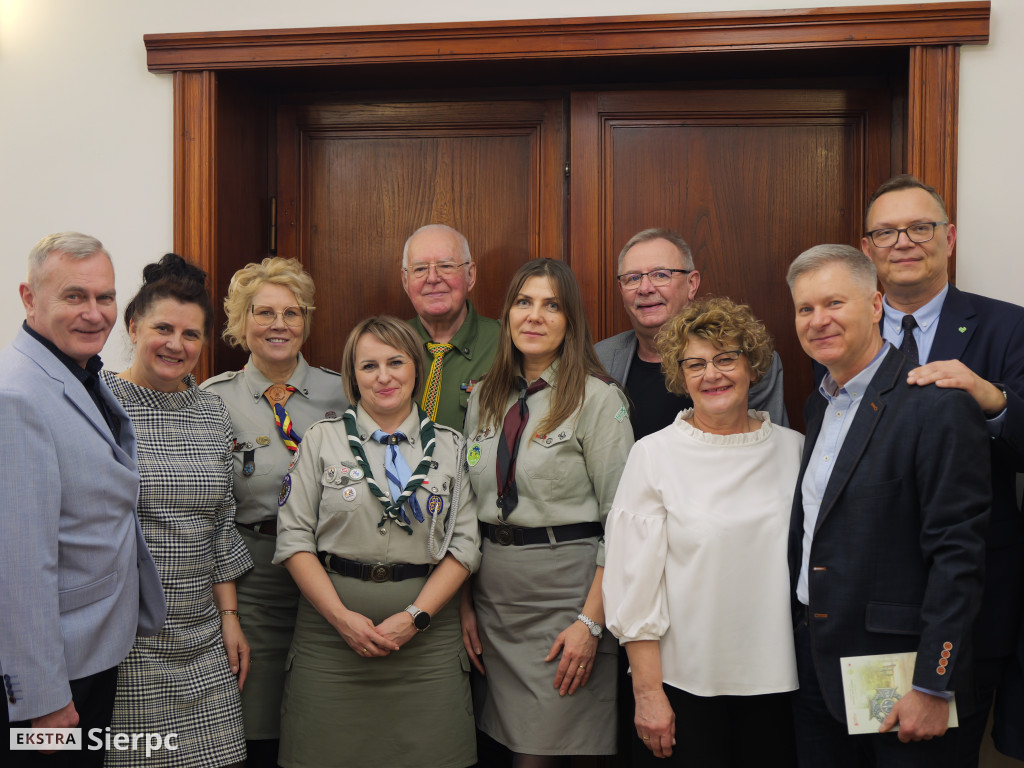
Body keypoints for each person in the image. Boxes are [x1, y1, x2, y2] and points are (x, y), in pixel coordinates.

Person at [787, 244, 990, 767]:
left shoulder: (936, 405)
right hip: (816, 670)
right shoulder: (819, 404)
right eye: (805, 309)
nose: (818, 321)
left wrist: (933, 684)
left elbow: (958, 557)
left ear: (876, 305)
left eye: (834, 303)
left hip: (905, 683)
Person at [859, 174, 1024, 765]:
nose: (903, 241)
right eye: (886, 231)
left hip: (971, 603)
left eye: (920, 227)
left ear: (949, 238)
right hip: (865, 605)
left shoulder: (1008, 327)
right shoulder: (840, 331)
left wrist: (991, 398)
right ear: (867, 248)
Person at [272, 315, 480, 768]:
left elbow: (464, 546)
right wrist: (341, 619)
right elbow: (293, 539)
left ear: (415, 370)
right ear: (352, 376)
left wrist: (414, 618)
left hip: (426, 649)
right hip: (330, 644)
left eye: (395, 362)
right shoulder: (320, 441)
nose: (383, 377)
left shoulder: (450, 447)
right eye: (369, 366)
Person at [603, 296, 802, 767]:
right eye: (695, 364)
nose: (712, 374)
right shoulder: (654, 455)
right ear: (680, 376)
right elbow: (634, 588)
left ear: (752, 366)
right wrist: (648, 695)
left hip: (782, 685)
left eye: (725, 358)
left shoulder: (796, 451)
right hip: (682, 688)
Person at [0, 232, 165, 768]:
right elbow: (18, 568)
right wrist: (43, 699)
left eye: (105, 297)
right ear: (29, 298)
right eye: (74, 296)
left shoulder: (78, 370)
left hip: (89, 650)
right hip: (55, 677)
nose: (95, 314)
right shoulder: (16, 396)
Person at [461, 258, 634, 765]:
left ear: (570, 321)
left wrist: (590, 622)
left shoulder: (598, 399)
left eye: (551, 305)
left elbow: (622, 524)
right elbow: (469, 510)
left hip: (567, 597)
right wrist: (465, 604)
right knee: (506, 748)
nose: (534, 317)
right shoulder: (485, 399)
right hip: (494, 597)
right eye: (523, 302)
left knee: (542, 755)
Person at [102, 254, 254, 767]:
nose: (176, 344)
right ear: (132, 326)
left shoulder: (211, 411)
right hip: (127, 643)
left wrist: (229, 617)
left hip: (204, 637)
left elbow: (219, 524)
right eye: (162, 328)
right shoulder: (99, 407)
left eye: (191, 334)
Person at [200, 257, 347, 766]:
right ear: (241, 322)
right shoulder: (212, 401)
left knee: (324, 724)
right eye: (264, 312)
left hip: (333, 577)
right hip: (253, 579)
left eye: (293, 312)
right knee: (255, 726)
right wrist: (229, 610)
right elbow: (210, 510)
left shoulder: (345, 391)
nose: (279, 324)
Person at [595, 227, 787, 439]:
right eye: (632, 278)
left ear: (692, 284)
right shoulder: (599, 359)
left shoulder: (745, 357)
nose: (645, 288)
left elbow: (769, 446)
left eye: (660, 274)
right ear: (622, 290)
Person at [402, 224, 500, 430]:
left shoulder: (506, 344)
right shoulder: (388, 344)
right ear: (405, 280)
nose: (433, 278)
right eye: (420, 269)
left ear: (470, 275)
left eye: (446, 266)